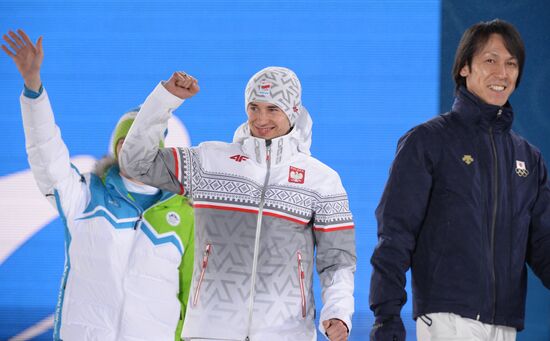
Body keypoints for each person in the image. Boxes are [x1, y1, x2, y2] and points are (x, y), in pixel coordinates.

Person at [119, 66, 356, 341]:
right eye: (254, 108)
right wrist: (165, 100)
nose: (261, 118)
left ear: (292, 111)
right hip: (209, 331)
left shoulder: (322, 181)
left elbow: (338, 261)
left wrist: (338, 312)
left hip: (286, 334)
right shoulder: (209, 162)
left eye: (272, 109)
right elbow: (136, 162)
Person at [2, 29, 195, 341]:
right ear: (115, 148)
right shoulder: (86, 196)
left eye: (144, 143)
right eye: (126, 142)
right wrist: (33, 88)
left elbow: (192, 305)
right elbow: (46, 154)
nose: (134, 150)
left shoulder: (184, 216)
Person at [369, 19, 550, 341]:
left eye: (511, 63)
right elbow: (395, 234)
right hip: (447, 316)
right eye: (490, 60)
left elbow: (543, 244)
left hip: (505, 321)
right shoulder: (428, 141)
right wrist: (386, 316)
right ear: (464, 67)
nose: (502, 73)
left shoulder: (528, 157)